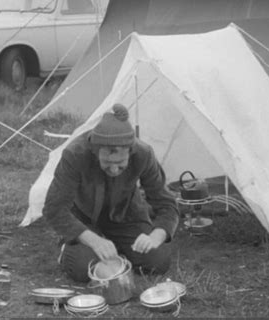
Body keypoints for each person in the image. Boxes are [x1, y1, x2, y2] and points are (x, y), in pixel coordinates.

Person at [43, 103, 179, 282]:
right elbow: (54, 209)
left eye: (121, 164)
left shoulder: (143, 154)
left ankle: (116, 250)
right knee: (82, 266)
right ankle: (71, 248)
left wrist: (155, 236)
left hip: (126, 217)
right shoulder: (75, 154)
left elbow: (167, 204)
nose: (114, 170)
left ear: (130, 152)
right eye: (107, 163)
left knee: (158, 260)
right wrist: (94, 240)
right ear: (95, 151)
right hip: (84, 221)